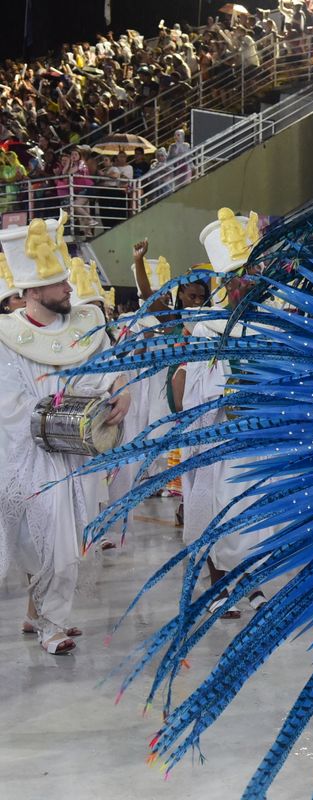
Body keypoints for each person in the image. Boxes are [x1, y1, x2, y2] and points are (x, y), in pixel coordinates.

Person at [0, 214, 131, 655]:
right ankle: (49, 621)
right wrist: (55, 415)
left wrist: (121, 389)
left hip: (78, 453)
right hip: (30, 454)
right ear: (33, 291)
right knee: (44, 538)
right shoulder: (5, 337)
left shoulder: (86, 326)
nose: (69, 287)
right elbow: (9, 403)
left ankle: (39, 614)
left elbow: (110, 371)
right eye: (58, 283)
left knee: (70, 536)